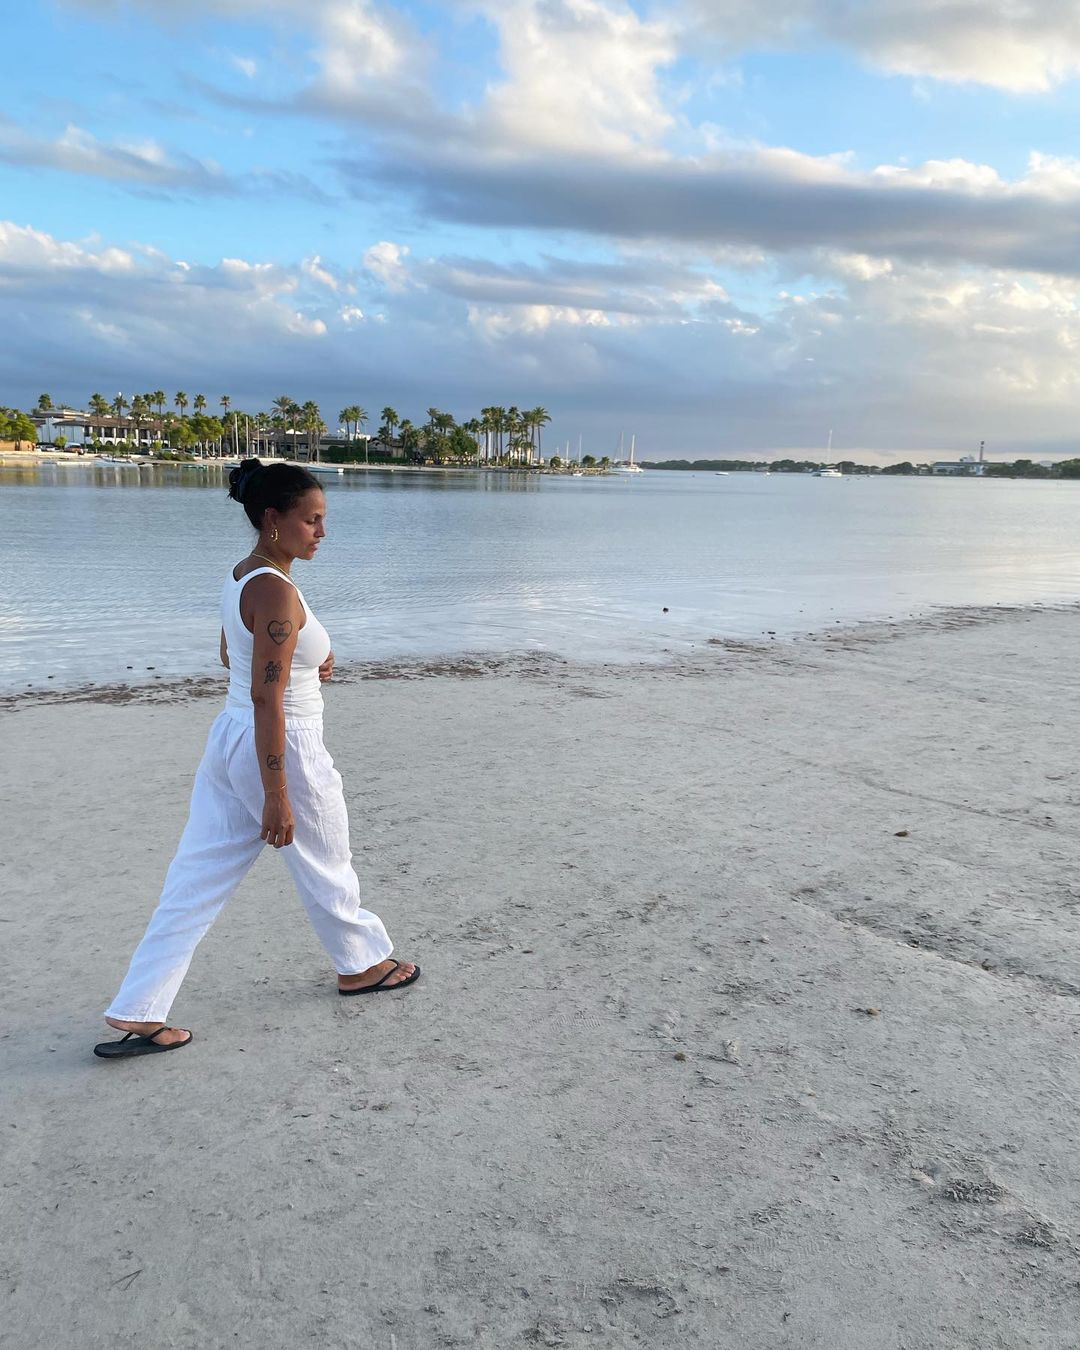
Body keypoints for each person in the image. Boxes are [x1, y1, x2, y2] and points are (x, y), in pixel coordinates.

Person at [94, 459, 419, 1059]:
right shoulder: (275, 589)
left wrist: (311, 661)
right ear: (274, 518)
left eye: (323, 519)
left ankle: (139, 1006)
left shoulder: (245, 574)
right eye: (311, 520)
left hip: (231, 738)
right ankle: (361, 966)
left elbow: (232, 653)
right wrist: (277, 793)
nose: (322, 532)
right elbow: (266, 694)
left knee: (196, 876)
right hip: (283, 743)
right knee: (327, 861)